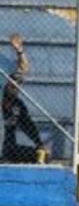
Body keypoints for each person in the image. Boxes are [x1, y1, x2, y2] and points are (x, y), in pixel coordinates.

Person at [1, 34, 46, 164]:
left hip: (7, 102)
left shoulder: (3, 62)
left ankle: (39, 148)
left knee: (19, 117)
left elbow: (23, 68)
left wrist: (19, 50)